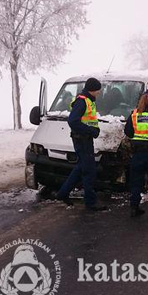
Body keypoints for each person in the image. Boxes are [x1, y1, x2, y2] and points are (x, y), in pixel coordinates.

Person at [56, 77, 107, 212]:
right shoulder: (82, 101)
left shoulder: (88, 100)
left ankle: (62, 193)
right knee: (89, 170)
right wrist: (90, 131)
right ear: (92, 89)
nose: (99, 92)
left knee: (80, 168)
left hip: (84, 139)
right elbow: (72, 121)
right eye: (98, 90)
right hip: (82, 139)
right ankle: (91, 202)